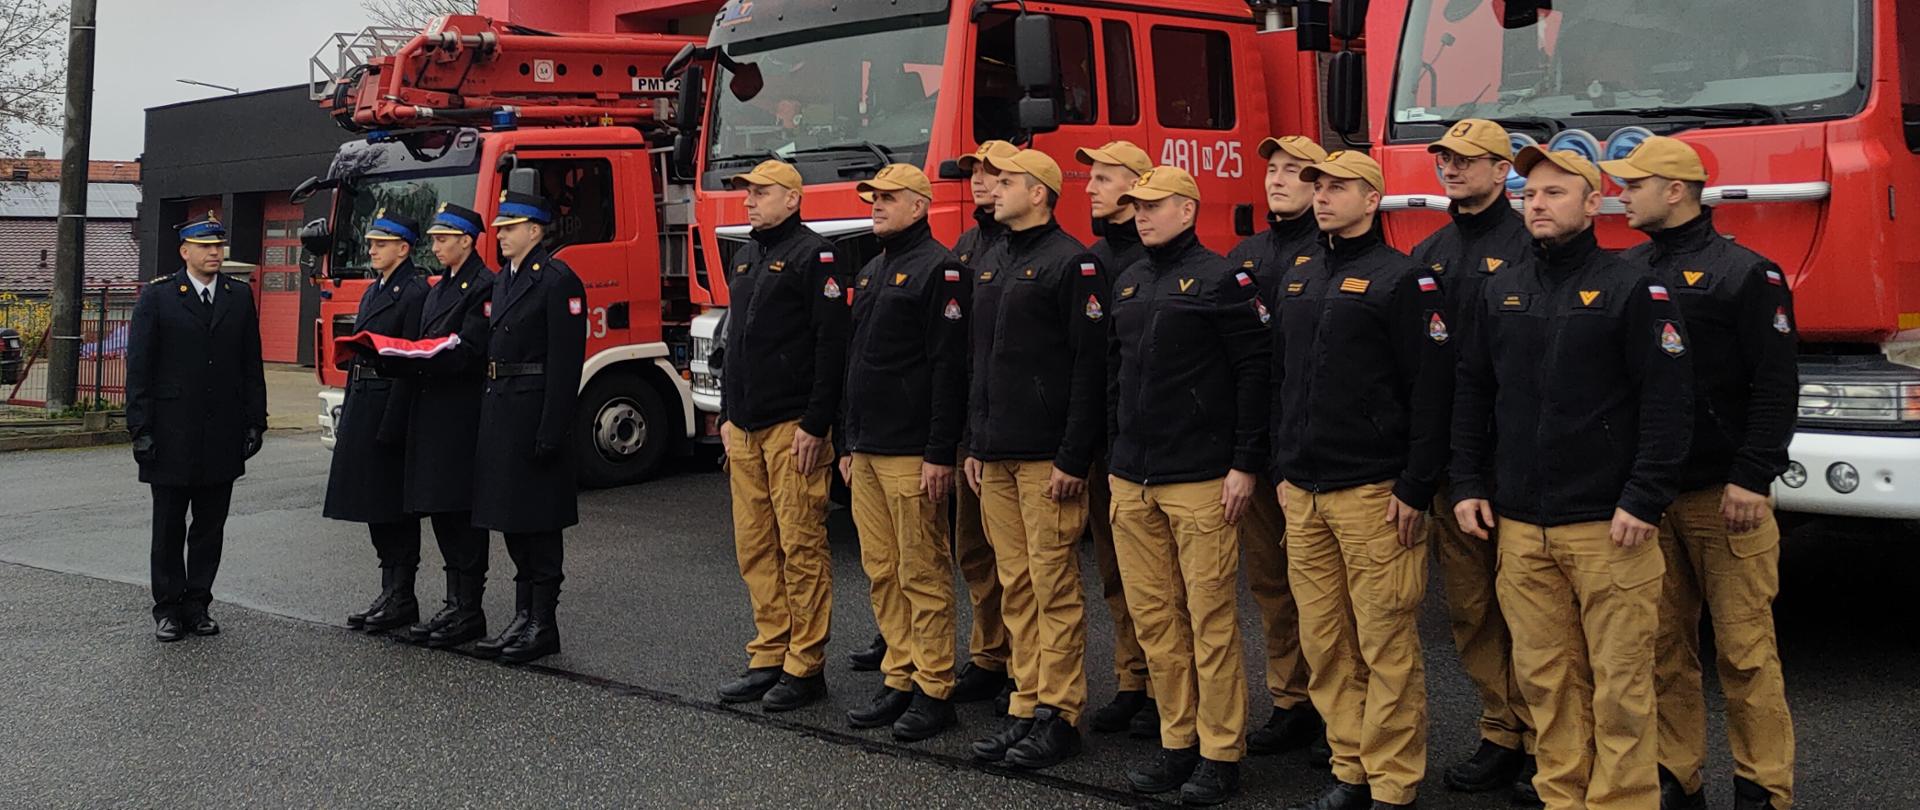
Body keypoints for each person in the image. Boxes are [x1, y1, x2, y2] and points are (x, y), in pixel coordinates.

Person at [1451, 147, 1692, 810]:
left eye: (1556, 194)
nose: (1538, 205)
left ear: (1593, 205)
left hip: (1609, 527)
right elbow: (1473, 389)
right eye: (1531, 195)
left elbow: (1667, 403)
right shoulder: (1500, 286)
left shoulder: (1632, 286)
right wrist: (1468, 482)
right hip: (1523, 527)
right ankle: (1562, 797)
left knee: (1620, 687)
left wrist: (1644, 497)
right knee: (1546, 682)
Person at [1609, 136, 1798, 810]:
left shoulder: (1747, 274)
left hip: (1725, 496)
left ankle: (1762, 786)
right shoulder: (1625, 269)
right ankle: (1676, 775)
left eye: (1635, 184)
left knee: (1745, 653)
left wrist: (1753, 476)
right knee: (1661, 650)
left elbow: (1776, 386)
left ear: (1677, 190)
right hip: (1650, 498)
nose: (1622, 195)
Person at [1272, 150, 1451, 810]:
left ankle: (1393, 781)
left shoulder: (1404, 281)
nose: (1322, 196)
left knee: (1385, 644)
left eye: (1339, 186)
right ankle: (1348, 766)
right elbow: (1281, 380)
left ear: (1373, 199)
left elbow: (1430, 392)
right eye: (1316, 185)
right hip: (1305, 490)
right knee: (1324, 642)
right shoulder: (1298, 275)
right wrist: (1282, 469)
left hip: (1373, 491)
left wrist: (1413, 486)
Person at [1104, 166, 1267, 805]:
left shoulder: (1224, 279)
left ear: (1187, 209)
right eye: (1135, 207)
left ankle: (1220, 751)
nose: (1141, 215)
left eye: (1153, 205)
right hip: (1133, 476)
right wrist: (1116, 453)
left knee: (1210, 620)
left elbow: (1256, 371)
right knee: (1155, 620)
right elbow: (1115, 375)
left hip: (1200, 478)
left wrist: (1245, 462)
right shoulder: (1131, 280)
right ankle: (1178, 742)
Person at [1406, 119, 1539, 799]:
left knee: (1536, 614)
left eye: (1466, 161)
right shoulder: (1428, 252)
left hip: (1515, 463)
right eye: (1444, 160)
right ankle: (1500, 731)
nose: (1451, 170)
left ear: (1500, 170)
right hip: (1453, 466)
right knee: (1471, 608)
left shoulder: (1529, 247)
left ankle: (1549, 740)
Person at [964, 148, 1104, 770]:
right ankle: (1026, 701)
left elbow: (1088, 368)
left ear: (1041, 193)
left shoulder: (1071, 263)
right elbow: (979, 362)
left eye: (1009, 181)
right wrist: (975, 441)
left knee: (1053, 585)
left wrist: (1074, 457)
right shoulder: (993, 259)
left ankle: (1060, 713)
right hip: (996, 452)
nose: (994, 188)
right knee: (1016, 584)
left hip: (1047, 456)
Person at [836, 163, 970, 742]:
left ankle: (935, 686)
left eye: (889, 198)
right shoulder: (870, 270)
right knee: (881, 571)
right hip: (866, 449)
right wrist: (847, 441)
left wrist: (940, 451)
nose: (877, 205)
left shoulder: (941, 270)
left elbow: (948, 369)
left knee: (923, 571)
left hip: (912, 451)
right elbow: (854, 363)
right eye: (874, 197)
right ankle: (899, 673)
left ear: (920, 206)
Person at [715, 160, 849, 712]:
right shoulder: (746, 257)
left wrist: (817, 423)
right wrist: (725, 416)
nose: (748, 201)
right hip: (744, 427)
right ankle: (769, 651)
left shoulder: (815, 257)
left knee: (800, 544)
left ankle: (805, 664)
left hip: (792, 425)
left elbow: (830, 344)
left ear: (792, 200)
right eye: (746, 193)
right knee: (755, 546)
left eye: (761, 193)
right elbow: (734, 344)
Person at [893, 139, 1018, 708]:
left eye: (994, 174)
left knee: (1019, 561)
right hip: (972, 425)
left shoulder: (1023, 247)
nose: (981, 183)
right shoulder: (966, 246)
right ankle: (989, 653)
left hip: (1013, 430)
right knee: (972, 549)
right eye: (975, 174)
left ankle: (1024, 664)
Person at [1224, 134, 1329, 757]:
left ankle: (1335, 705)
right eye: (1274, 171)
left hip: (1313, 456)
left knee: (1327, 592)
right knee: (1270, 582)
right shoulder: (1246, 254)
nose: (1278, 180)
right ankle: (1291, 700)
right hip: (1255, 449)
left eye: (1295, 172)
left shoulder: (1330, 254)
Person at [126, 212, 266, 642]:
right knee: (168, 526)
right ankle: (167, 608)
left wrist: (255, 421)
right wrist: (140, 428)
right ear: (185, 252)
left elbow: (250, 365)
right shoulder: (160, 297)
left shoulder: (238, 297)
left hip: (220, 433)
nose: (214, 253)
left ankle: (198, 604)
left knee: (209, 527)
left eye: (219, 246)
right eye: (205, 247)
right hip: (171, 433)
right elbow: (140, 368)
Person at [468, 189, 587, 665]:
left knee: (540, 522)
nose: (500, 236)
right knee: (512, 520)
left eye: (509, 228)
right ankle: (522, 616)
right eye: (499, 229)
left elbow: (565, 363)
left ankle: (544, 622)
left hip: (536, 410)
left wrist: (552, 429)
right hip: (503, 411)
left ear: (534, 231)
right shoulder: (503, 282)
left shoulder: (557, 281)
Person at [1073, 139, 1159, 737]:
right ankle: (1134, 678)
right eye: (1091, 177)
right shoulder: (1093, 258)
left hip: (1154, 450)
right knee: (1115, 571)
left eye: (1105, 178)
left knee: (1163, 582)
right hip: (1108, 445)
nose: (1092, 188)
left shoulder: (1144, 264)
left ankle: (1165, 686)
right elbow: (1087, 363)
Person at [392, 203, 496, 648]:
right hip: (433, 409)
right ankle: (454, 603)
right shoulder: (439, 288)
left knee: (462, 513)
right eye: (433, 239)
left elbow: (470, 349)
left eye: (442, 239)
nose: (434, 247)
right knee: (441, 510)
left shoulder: (482, 286)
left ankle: (469, 608)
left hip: (461, 412)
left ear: (467, 241)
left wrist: (421, 355)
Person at [324, 210, 429, 633]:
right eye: (371, 243)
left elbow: (410, 358)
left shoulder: (414, 292)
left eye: (380, 244)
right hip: (364, 398)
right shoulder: (374, 291)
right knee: (371, 502)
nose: (371, 250)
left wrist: (395, 419)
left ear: (403, 248)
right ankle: (389, 589)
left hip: (389, 400)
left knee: (393, 506)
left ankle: (402, 592)